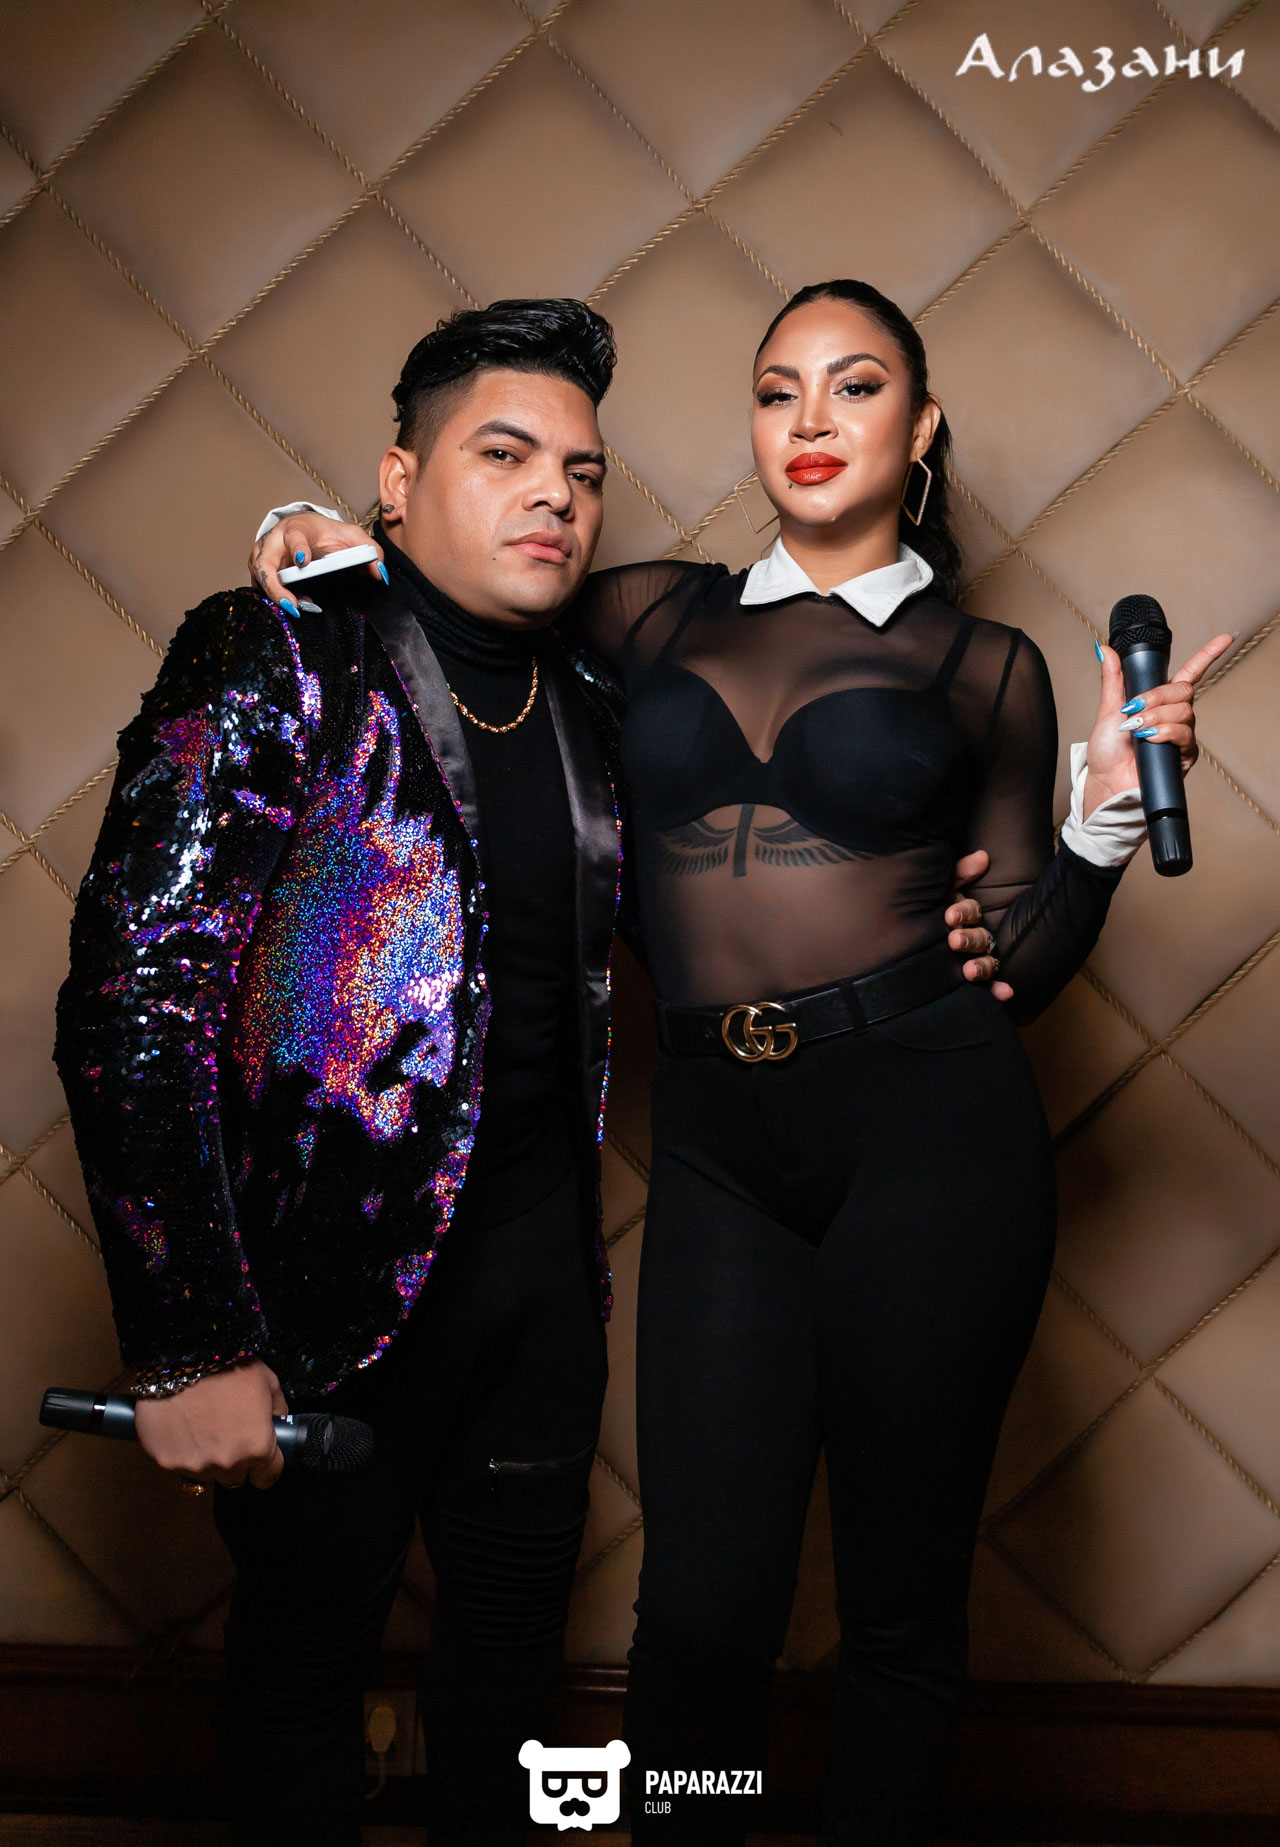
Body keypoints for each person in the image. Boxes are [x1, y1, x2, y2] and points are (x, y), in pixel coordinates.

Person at [253, 277, 1229, 1847]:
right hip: (721, 1148)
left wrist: (1102, 823)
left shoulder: (986, 666)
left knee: (900, 1608)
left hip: (932, 1132)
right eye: (779, 391)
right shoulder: (646, 614)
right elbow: (453, 591)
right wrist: (309, 530)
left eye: (856, 387)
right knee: (702, 1612)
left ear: (921, 428)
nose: (811, 421)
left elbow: (1017, 970)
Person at [54, 293, 1002, 1847]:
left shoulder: (596, 695)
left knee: (508, 1693)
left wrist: (951, 891)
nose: (555, 493)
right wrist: (189, 1340)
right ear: (396, 481)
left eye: (583, 470)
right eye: (504, 455)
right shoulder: (285, 651)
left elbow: (741, 875)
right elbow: (133, 999)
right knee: (300, 1681)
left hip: (543, 1295)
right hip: (328, 1305)